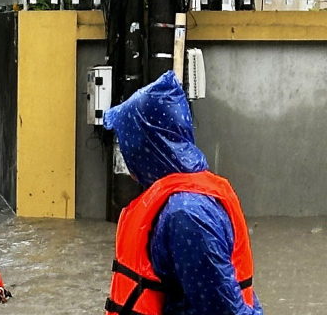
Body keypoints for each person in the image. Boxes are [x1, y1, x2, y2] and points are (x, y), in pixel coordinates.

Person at [102, 70, 262, 315]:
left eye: (126, 144)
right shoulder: (184, 203)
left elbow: (225, 310)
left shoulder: (187, 214)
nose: (125, 155)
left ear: (145, 147)